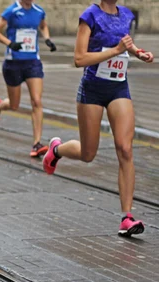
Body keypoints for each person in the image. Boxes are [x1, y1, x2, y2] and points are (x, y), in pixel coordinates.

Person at [43, 0, 153, 237]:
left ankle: (127, 217)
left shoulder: (126, 15)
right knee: (88, 154)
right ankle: (57, 150)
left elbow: (124, 43)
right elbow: (79, 59)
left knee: (125, 149)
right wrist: (115, 51)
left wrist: (138, 52)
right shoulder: (90, 16)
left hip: (118, 88)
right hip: (92, 90)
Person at [0, 0, 56, 158]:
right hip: (13, 64)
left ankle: (36, 144)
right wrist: (10, 44)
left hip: (33, 62)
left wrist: (47, 39)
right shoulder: (12, 10)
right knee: (14, 105)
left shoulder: (38, 11)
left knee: (37, 101)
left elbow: (43, 25)